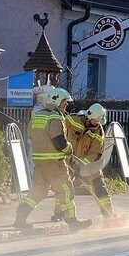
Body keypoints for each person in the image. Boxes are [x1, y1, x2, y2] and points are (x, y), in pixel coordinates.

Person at [14, 88, 92, 232]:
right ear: (57, 101)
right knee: (66, 189)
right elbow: (59, 142)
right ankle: (73, 222)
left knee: (39, 191)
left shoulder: (38, 115)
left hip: (39, 161)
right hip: (54, 162)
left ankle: (20, 218)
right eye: (65, 102)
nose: (66, 106)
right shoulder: (55, 117)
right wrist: (69, 149)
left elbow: (31, 135)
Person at [51, 103, 114, 221]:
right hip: (67, 159)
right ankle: (58, 213)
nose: (98, 123)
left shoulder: (98, 133)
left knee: (99, 185)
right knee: (63, 186)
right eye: (96, 120)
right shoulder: (72, 120)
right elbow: (58, 131)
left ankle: (109, 214)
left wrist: (81, 167)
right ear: (89, 117)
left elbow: (95, 153)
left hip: (86, 163)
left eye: (99, 121)